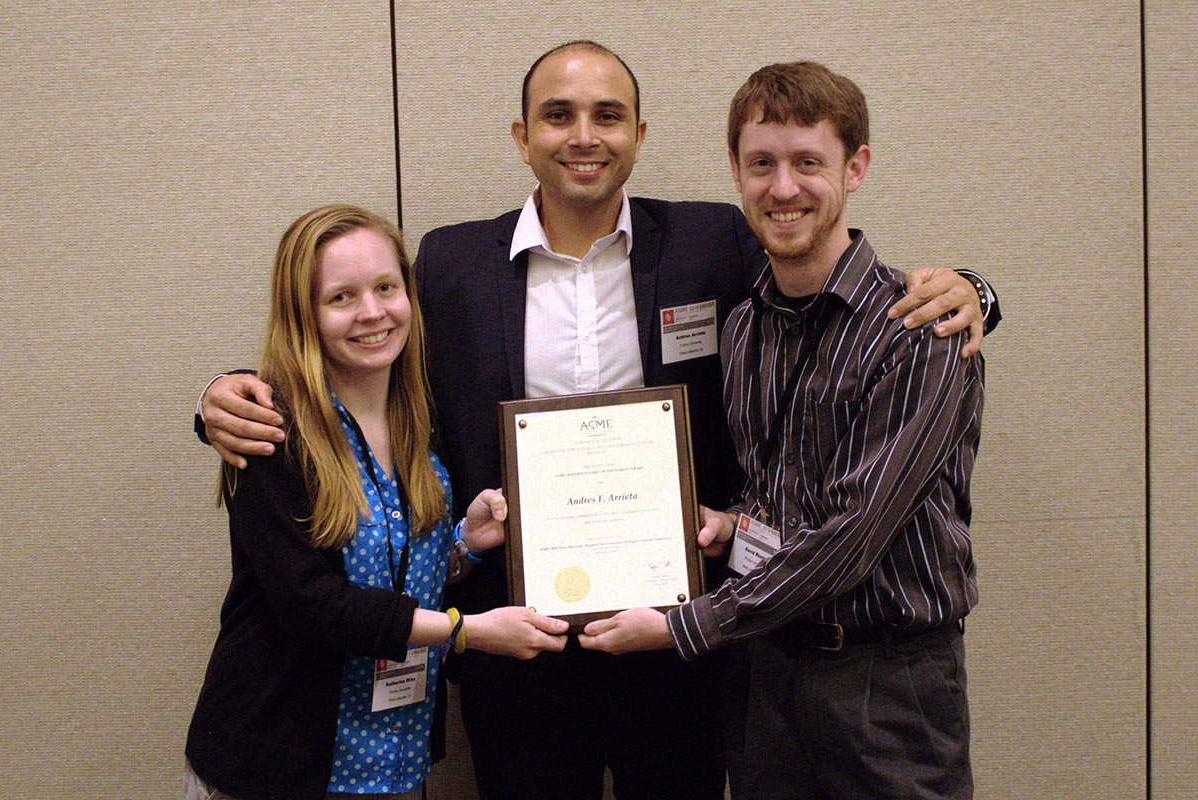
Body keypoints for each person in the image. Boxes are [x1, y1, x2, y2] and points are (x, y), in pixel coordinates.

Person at [197, 43, 998, 800]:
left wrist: (975, 292)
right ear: (523, 137)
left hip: (681, 642)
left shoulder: (715, 240)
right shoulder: (451, 263)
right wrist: (223, 400)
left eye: (608, 115)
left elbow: (827, 274)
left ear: (639, 136)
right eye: (558, 115)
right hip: (517, 644)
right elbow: (354, 337)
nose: (584, 136)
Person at [579, 61, 984, 800]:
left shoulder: (920, 330)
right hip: (764, 675)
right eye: (762, 163)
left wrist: (683, 627)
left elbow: (853, 535)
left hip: (886, 685)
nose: (783, 187)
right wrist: (731, 524)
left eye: (809, 163)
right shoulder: (743, 328)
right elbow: (779, 491)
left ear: (855, 168)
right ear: (736, 172)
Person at [183, 205, 568, 800]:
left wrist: (463, 544)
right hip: (278, 763)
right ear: (303, 313)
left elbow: (386, 570)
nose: (372, 312)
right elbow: (311, 602)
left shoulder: (418, 418)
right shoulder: (267, 431)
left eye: (386, 287)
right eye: (341, 297)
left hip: (392, 755)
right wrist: (464, 632)